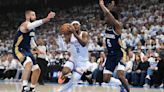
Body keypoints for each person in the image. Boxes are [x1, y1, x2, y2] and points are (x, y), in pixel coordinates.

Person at [12, 10, 55, 92]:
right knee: (28, 63)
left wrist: (38, 50)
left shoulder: (32, 29)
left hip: (27, 49)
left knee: (37, 69)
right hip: (18, 48)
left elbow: (31, 41)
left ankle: (32, 88)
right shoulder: (25, 24)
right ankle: (24, 87)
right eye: (33, 15)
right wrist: (46, 19)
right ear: (28, 16)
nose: (35, 17)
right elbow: (33, 24)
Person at [99, 0, 130, 92]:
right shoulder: (107, 26)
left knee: (120, 75)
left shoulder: (117, 26)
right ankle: (121, 84)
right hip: (110, 55)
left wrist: (101, 5)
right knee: (105, 79)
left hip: (120, 53)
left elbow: (108, 14)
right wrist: (111, 6)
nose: (105, 19)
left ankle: (128, 90)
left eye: (108, 18)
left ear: (112, 18)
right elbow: (106, 14)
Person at [57, 21, 89, 92]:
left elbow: (83, 44)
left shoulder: (84, 34)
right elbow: (66, 44)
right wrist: (64, 33)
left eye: (76, 24)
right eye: (73, 25)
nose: (75, 26)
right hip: (73, 58)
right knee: (65, 71)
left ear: (80, 26)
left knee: (74, 80)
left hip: (82, 61)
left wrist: (74, 33)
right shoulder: (70, 36)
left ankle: (61, 90)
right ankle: (65, 74)